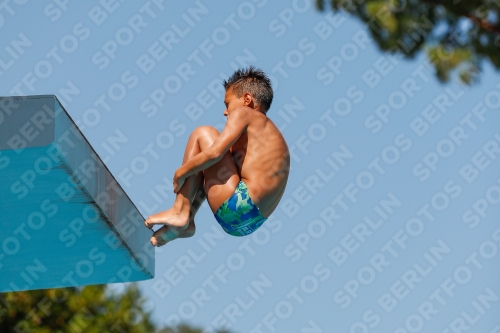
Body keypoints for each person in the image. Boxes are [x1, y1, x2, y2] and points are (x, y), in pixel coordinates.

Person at [144, 67, 290, 246]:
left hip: (239, 204)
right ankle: (186, 221)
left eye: (227, 104)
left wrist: (180, 173)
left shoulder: (244, 112)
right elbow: (213, 165)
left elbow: (215, 153)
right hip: (250, 222)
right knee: (208, 162)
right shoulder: (266, 136)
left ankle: (180, 209)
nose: (225, 112)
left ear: (247, 99)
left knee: (203, 133)